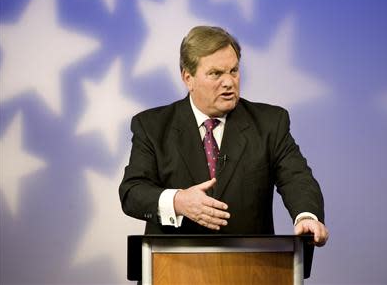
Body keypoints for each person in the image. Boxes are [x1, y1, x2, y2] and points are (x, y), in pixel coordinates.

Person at [119, 26, 328, 247]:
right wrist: (178, 201)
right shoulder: (152, 126)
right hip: (173, 267)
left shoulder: (270, 123)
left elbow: (296, 177)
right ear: (188, 78)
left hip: (250, 268)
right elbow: (132, 192)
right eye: (216, 73)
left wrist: (306, 216)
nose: (229, 82)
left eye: (234, 71)